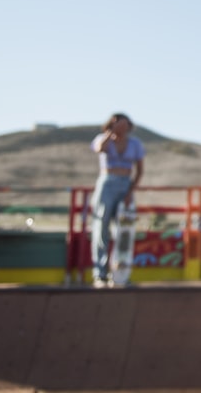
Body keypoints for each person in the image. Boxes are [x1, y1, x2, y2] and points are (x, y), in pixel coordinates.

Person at [89, 112, 145, 287]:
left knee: (124, 230)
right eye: (119, 124)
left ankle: (120, 274)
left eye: (125, 125)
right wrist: (110, 132)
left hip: (125, 185)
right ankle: (100, 273)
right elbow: (99, 148)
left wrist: (130, 192)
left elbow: (140, 170)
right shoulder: (104, 139)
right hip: (107, 183)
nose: (123, 128)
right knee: (101, 227)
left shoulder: (135, 144)